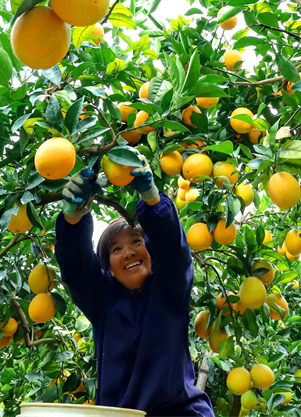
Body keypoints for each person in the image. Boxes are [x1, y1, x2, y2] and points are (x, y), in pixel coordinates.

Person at [55, 150, 214, 417]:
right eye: (116, 249)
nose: (128, 252)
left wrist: (152, 199)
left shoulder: (169, 290)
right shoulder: (103, 301)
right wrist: (72, 220)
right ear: (108, 269)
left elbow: (174, 251)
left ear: (151, 253)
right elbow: (77, 270)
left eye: (136, 242)